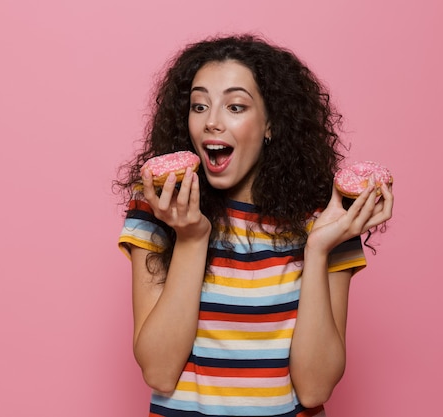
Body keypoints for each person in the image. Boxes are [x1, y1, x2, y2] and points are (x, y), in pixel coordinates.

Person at [115, 33, 394, 417]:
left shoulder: (327, 217)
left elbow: (315, 389)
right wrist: (193, 238)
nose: (211, 122)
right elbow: (159, 372)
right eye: (199, 106)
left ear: (271, 125)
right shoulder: (159, 207)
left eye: (235, 106)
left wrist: (317, 249)